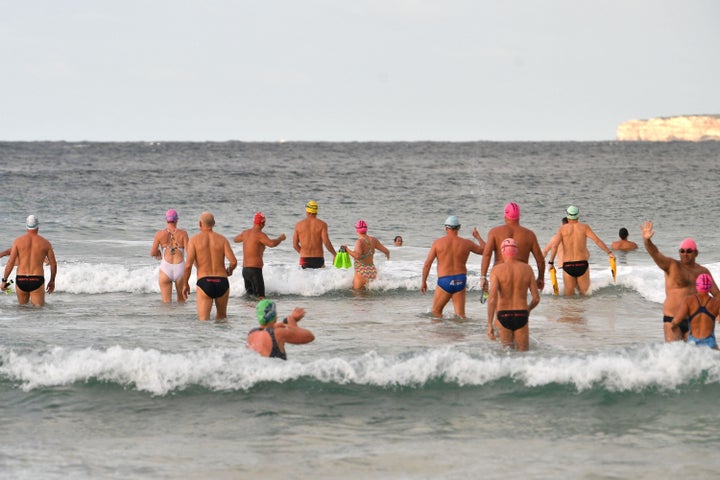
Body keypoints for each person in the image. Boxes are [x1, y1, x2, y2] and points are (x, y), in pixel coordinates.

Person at [640, 221, 720, 341]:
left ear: (696, 253)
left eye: (689, 251)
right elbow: (655, 253)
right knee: (674, 355)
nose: (685, 254)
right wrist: (647, 241)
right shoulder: (672, 266)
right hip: (672, 320)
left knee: (695, 356)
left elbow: (717, 294)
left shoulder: (702, 271)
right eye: (682, 251)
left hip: (694, 321)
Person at [421, 215, 485, 318]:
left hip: (445, 281)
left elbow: (427, 264)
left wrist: (423, 281)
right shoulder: (466, 243)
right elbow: (485, 250)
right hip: (460, 280)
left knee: (436, 312)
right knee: (461, 316)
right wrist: (477, 236)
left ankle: (437, 334)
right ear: (459, 228)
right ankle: (459, 333)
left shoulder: (438, 243)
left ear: (446, 228)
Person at [182, 211, 238, 321]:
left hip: (204, 282)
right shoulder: (222, 239)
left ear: (200, 224)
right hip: (222, 281)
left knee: (203, 321)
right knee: (222, 320)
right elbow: (234, 261)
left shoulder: (194, 240)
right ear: (214, 223)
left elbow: (188, 265)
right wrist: (229, 270)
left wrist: (185, 284)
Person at [547, 205, 615, 296]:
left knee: (569, 299)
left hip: (568, 265)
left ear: (567, 216)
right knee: (585, 296)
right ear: (578, 216)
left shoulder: (562, 229)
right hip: (582, 264)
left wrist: (551, 263)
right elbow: (597, 241)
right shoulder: (585, 227)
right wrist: (609, 252)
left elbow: (555, 246)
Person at [487, 238, 541, 351]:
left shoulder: (496, 270)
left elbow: (492, 299)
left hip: (503, 315)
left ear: (502, 251)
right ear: (516, 251)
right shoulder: (527, 269)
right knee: (524, 353)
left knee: (507, 353)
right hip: (521, 314)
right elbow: (536, 298)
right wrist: (529, 309)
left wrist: (490, 324)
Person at [480, 202, 545, 294]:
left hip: (500, 273)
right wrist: (541, 278)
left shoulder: (494, 232)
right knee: (519, 301)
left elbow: (487, 255)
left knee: (500, 304)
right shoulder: (529, 235)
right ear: (519, 216)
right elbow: (540, 260)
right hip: (521, 274)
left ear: (505, 215)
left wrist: (483, 277)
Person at [1, 215, 57, 306]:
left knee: (22, 310)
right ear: (38, 226)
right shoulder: (45, 243)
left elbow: (10, 263)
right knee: (38, 311)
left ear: (26, 226)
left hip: (21, 279)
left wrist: (4, 281)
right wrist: (52, 281)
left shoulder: (18, 241)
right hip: (37, 279)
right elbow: (53, 264)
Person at [233, 212, 286, 299]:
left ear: (254, 222)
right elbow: (272, 244)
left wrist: (246, 239)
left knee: (249, 297)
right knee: (261, 298)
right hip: (255, 270)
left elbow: (235, 239)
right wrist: (280, 238)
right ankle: (263, 312)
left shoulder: (245, 233)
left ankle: (247, 312)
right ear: (262, 224)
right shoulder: (260, 235)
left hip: (245, 270)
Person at [247, 299, 315, 359]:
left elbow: (268, 329)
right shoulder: (278, 333)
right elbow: (309, 336)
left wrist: (283, 323)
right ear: (274, 315)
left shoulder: (251, 334)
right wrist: (291, 319)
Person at [670, 273, 720, 348]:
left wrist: (673, 328)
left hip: (693, 343)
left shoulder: (688, 300)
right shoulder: (717, 303)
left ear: (697, 286)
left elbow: (676, 321)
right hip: (710, 343)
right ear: (710, 287)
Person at [150, 208, 189, 303]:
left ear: (167, 220)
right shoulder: (183, 234)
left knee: (166, 303)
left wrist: (159, 252)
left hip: (165, 269)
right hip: (180, 268)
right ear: (176, 220)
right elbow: (190, 252)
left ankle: (168, 318)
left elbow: (152, 253)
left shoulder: (159, 234)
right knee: (181, 301)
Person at [342, 220, 390, 289]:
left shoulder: (359, 241)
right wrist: (388, 260)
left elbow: (357, 256)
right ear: (366, 229)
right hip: (372, 271)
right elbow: (386, 251)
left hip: (361, 271)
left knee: (358, 295)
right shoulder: (373, 240)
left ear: (357, 230)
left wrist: (347, 249)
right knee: (369, 297)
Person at [292, 200, 336, 269]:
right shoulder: (322, 224)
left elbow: (295, 245)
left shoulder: (298, 225)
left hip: (304, 258)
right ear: (316, 211)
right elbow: (326, 242)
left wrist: (303, 252)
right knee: (320, 279)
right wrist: (334, 254)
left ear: (307, 211)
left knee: (304, 279)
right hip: (318, 258)